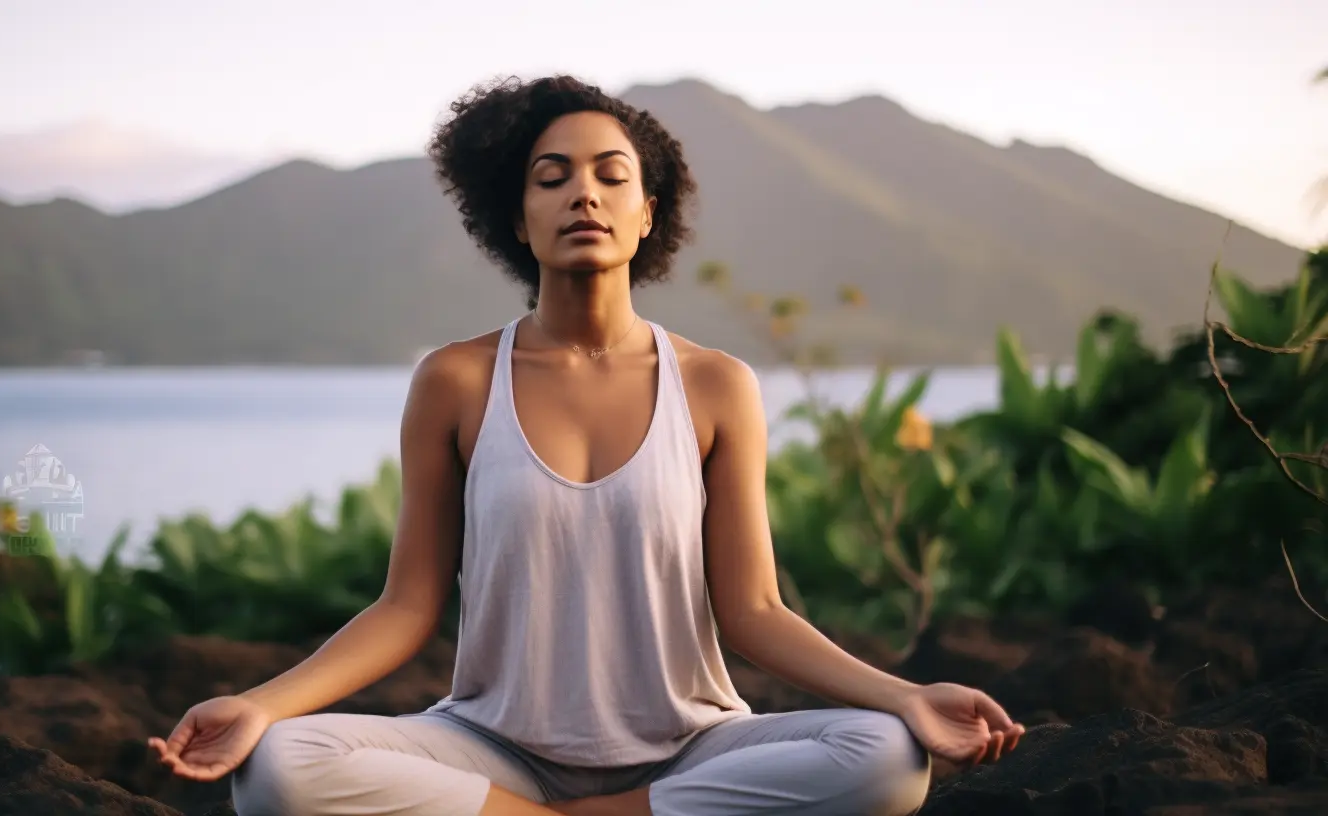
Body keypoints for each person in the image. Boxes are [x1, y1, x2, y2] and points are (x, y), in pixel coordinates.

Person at [147, 74, 1026, 816]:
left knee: (884, 757)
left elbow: (755, 612)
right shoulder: (456, 381)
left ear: (648, 215)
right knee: (275, 769)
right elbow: (406, 609)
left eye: (612, 176)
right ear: (517, 219)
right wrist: (258, 705)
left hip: (693, 749)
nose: (585, 194)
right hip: (489, 745)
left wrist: (906, 696)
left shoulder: (717, 386)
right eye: (552, 177)